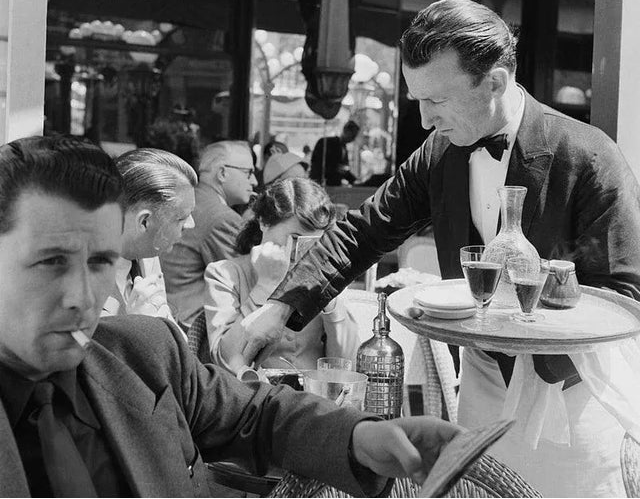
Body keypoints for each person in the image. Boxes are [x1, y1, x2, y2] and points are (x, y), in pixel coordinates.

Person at [240, 0, 640, 497]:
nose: (425, 120)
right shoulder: (440, 150)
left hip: (570, 393)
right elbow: (363, 231)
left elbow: (625, 295)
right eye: (417, 100)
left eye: (438, 101)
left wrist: (534, 312)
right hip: (482, 379)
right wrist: (278, 307)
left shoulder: (589, 154)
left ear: (494, 82)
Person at [0, 133, 460, 497]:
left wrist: (363, 439)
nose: (81, 297)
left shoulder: (144, 351)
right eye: (51, 261)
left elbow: (258, 415)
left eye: (100, 261)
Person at [205, 177, 359, 374]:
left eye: (314, 242)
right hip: (255, 396)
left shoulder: (324, 269)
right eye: (294, 238)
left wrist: (331, 303)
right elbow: (224, 363)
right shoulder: (224, 274)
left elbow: (347, 365)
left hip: (313, 395)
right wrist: (265, 286)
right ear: (264, 222)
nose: (303, 251)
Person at [161, 140, 257, 329]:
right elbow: (246, 285)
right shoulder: (222, 217)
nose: (254, 181)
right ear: (222, 173)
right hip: (191, 325)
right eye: (249, 173)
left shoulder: (193, 198)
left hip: (170, 313)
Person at [101, 149, 196, 332]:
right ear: (144, 222)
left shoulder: (147, 253)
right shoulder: (74, 272)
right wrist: (136, 329)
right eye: (181, 218)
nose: (191, 224)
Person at [310, 120, 360, 186]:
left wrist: (355, 181)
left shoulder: (344, 149)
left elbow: (344, 171)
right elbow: (317, 163)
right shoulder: (325, 142)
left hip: (334, 185)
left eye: (354, 136)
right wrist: (335, 169)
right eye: (352, 135)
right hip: (321, 183)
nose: (353, 139)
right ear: (345, 130)